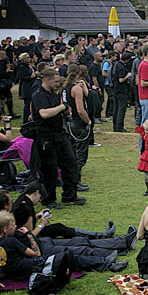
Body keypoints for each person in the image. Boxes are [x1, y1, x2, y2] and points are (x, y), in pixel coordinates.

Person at [0, 212, 128, 284]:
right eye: (12, 225)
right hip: (36, 265)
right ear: (5, 228)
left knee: (75, 250)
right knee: (72, 257)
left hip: (27, 270)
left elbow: (4, 267)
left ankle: (110, 258)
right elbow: (36, 254)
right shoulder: (11, 241)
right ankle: (108, 263)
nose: (15, 227)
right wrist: (29, 235)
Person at [32, 69, 85, 208]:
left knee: (71, 163)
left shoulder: (54, 94)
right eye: (55, 81)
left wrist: (66, 111)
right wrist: (62, 107)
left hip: (59, 134)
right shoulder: (38, 95)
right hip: (46, 136)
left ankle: (70, 195)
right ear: (47, 80)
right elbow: (43, 113)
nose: (58, 84)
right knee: (50, 169)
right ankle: (49, 199)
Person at [12, 182, 121, 241]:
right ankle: (101, 236)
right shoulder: (25, 208)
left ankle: (100, 235)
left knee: (60, 228)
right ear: (36, 192)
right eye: (40, 197)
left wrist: (38, 216)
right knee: (60, 230)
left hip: (23, 236)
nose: (39, 200)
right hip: (30, 240)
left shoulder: (22, 200)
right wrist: (42, 225)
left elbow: (25, 223)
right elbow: (30, 234)